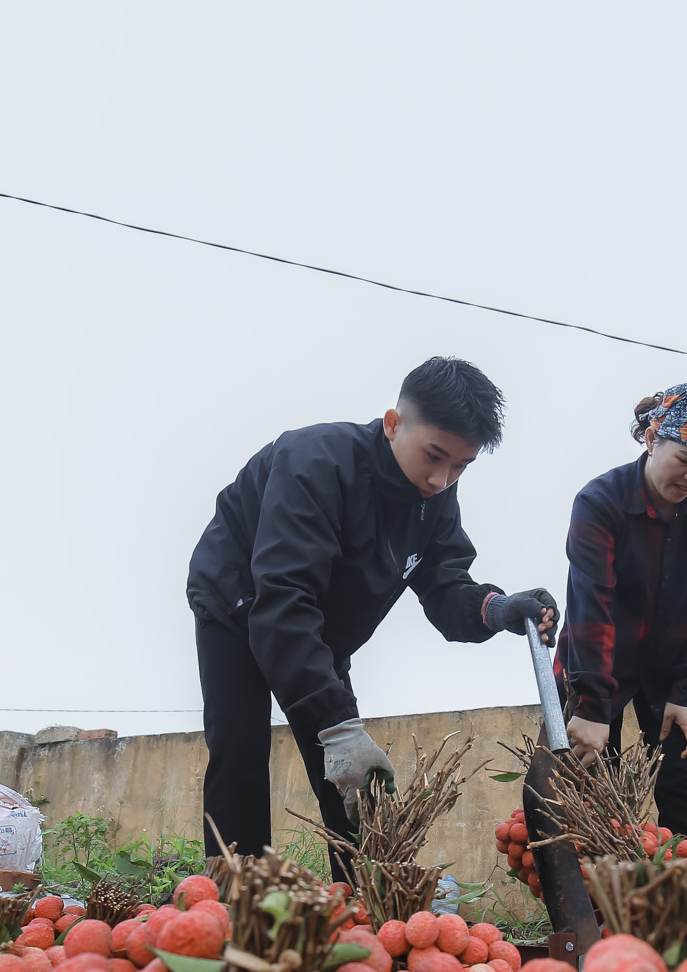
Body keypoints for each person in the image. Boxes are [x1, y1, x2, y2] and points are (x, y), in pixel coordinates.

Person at [186, 357, 558, 879]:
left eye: (460, 466)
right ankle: (234, 892)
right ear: (392, 423)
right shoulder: (314, 461)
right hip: (238, 599)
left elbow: (447, 586)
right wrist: (336, 726)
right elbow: (285, 597)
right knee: (240, 745)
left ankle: (367, 892)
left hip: (318, 627)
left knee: (350, 774)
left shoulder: (436, 499)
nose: (441, 477)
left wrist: (497, 609)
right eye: (434, 455)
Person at [553, 383, 687, 847]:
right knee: (592, 794)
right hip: (595, 663)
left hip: (675, 668)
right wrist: (594, 706)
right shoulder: (601, 502)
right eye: (686, 460)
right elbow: (590, 603)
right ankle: (600, 914)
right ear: (652, 440)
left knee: (684, 783)